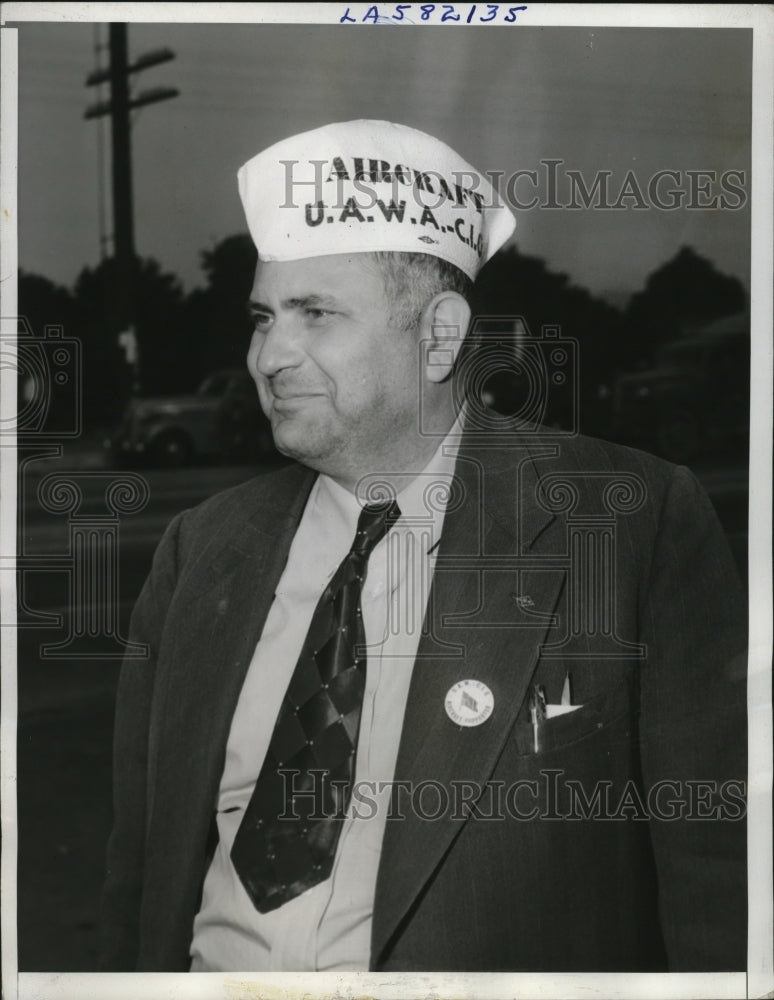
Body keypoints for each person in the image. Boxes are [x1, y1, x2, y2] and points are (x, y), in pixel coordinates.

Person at [99, 120, 747, 973]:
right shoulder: (202, 547)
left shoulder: (630, 524)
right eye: (263, 317)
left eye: (316, 314)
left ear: (440, 335)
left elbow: (717, 884)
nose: (269, 354)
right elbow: (138, 872)